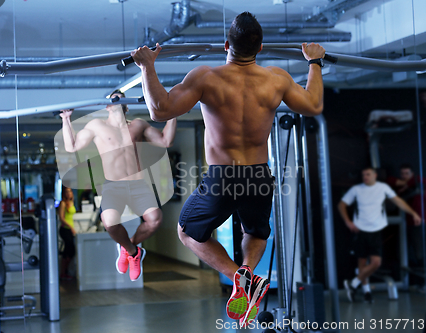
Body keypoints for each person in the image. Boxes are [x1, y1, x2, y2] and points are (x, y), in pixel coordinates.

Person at [131, 11, 325, 326]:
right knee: (256, 231)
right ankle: (249, 272)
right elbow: (314, 105)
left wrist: (147, 66)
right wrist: (314, 63)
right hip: (260, 173)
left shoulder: (206, 77)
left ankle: (239, 276)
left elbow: (159, 110)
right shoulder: (277, 79)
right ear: (260, 48)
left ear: (226, 45)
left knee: (187, 232)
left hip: (223, 176)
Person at [60, 90, 177, 281]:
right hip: (113, 186)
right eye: (113, 99)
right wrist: (66, 119)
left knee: (155, 219)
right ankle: (133, 251)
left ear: (127, 105)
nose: (117, 101)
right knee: (110, 223)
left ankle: (129, 248)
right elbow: (71, 146)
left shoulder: (138, 125)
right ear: (107, 105)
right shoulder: (97, 126)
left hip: (138, 184)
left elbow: (166, 140)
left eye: (121, 98)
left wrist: (173, 114)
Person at [338, 166, 421, 303]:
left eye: (368, 174)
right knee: (362, 262)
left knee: (376, 263)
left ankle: (352, 284)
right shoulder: (356, 189)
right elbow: (342, 204)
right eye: (363, 174)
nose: (365, 177)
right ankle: (366, 292)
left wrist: (413, 213)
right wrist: (348, 222)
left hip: (376, 229)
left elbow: (398, 201)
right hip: (361, 229)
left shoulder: (383, 187)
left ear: (375, 175)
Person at [58, 186, 77, 280]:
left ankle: (65, 272)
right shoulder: (63, 203)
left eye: (70, 191)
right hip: (65, 229)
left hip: (70, 229)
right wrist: (70, 227)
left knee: (70, 251)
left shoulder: (71, 202)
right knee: (68, 251)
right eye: (66, 192)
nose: (68, 193)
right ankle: (63, 272)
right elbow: (61, 218)